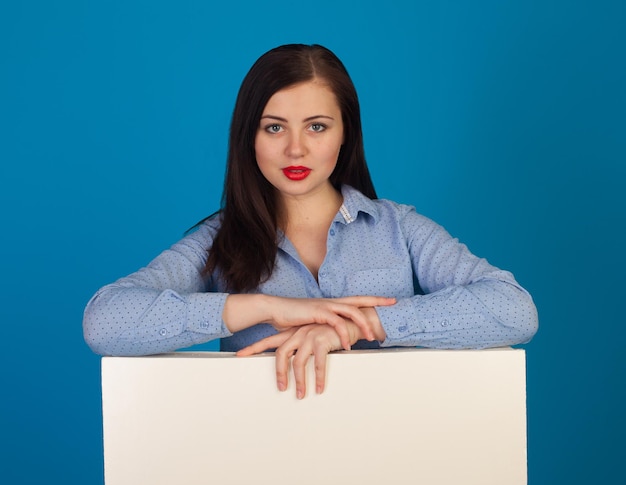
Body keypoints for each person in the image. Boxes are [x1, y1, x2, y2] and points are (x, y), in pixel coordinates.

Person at [83, 43, 538, 399]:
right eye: (274, 127)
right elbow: (105, 321)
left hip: (393, 459)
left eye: (317, 126)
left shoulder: (400, 229)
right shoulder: (216, 241)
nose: (295, 150)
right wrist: (270, 308)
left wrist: (359, 324)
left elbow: (514, 309)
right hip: (262, 466)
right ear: (250, 137)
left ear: (346, 134)